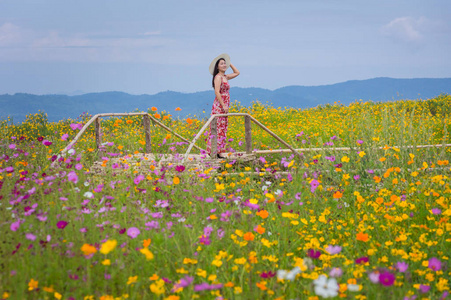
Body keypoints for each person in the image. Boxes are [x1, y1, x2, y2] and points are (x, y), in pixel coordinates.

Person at [206, 53, 240, 157]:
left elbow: (237, 72)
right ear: (217, 67)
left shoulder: (225, 76)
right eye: (222, 64)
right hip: (219, 105)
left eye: (225, 63)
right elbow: (217, 92)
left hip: (225, 104)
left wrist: (229, 64)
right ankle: (214, 151)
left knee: (223, 127)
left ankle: (220, 151)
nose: (224, 65)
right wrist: (223, 105)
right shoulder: (218, 77)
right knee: (217, 126)